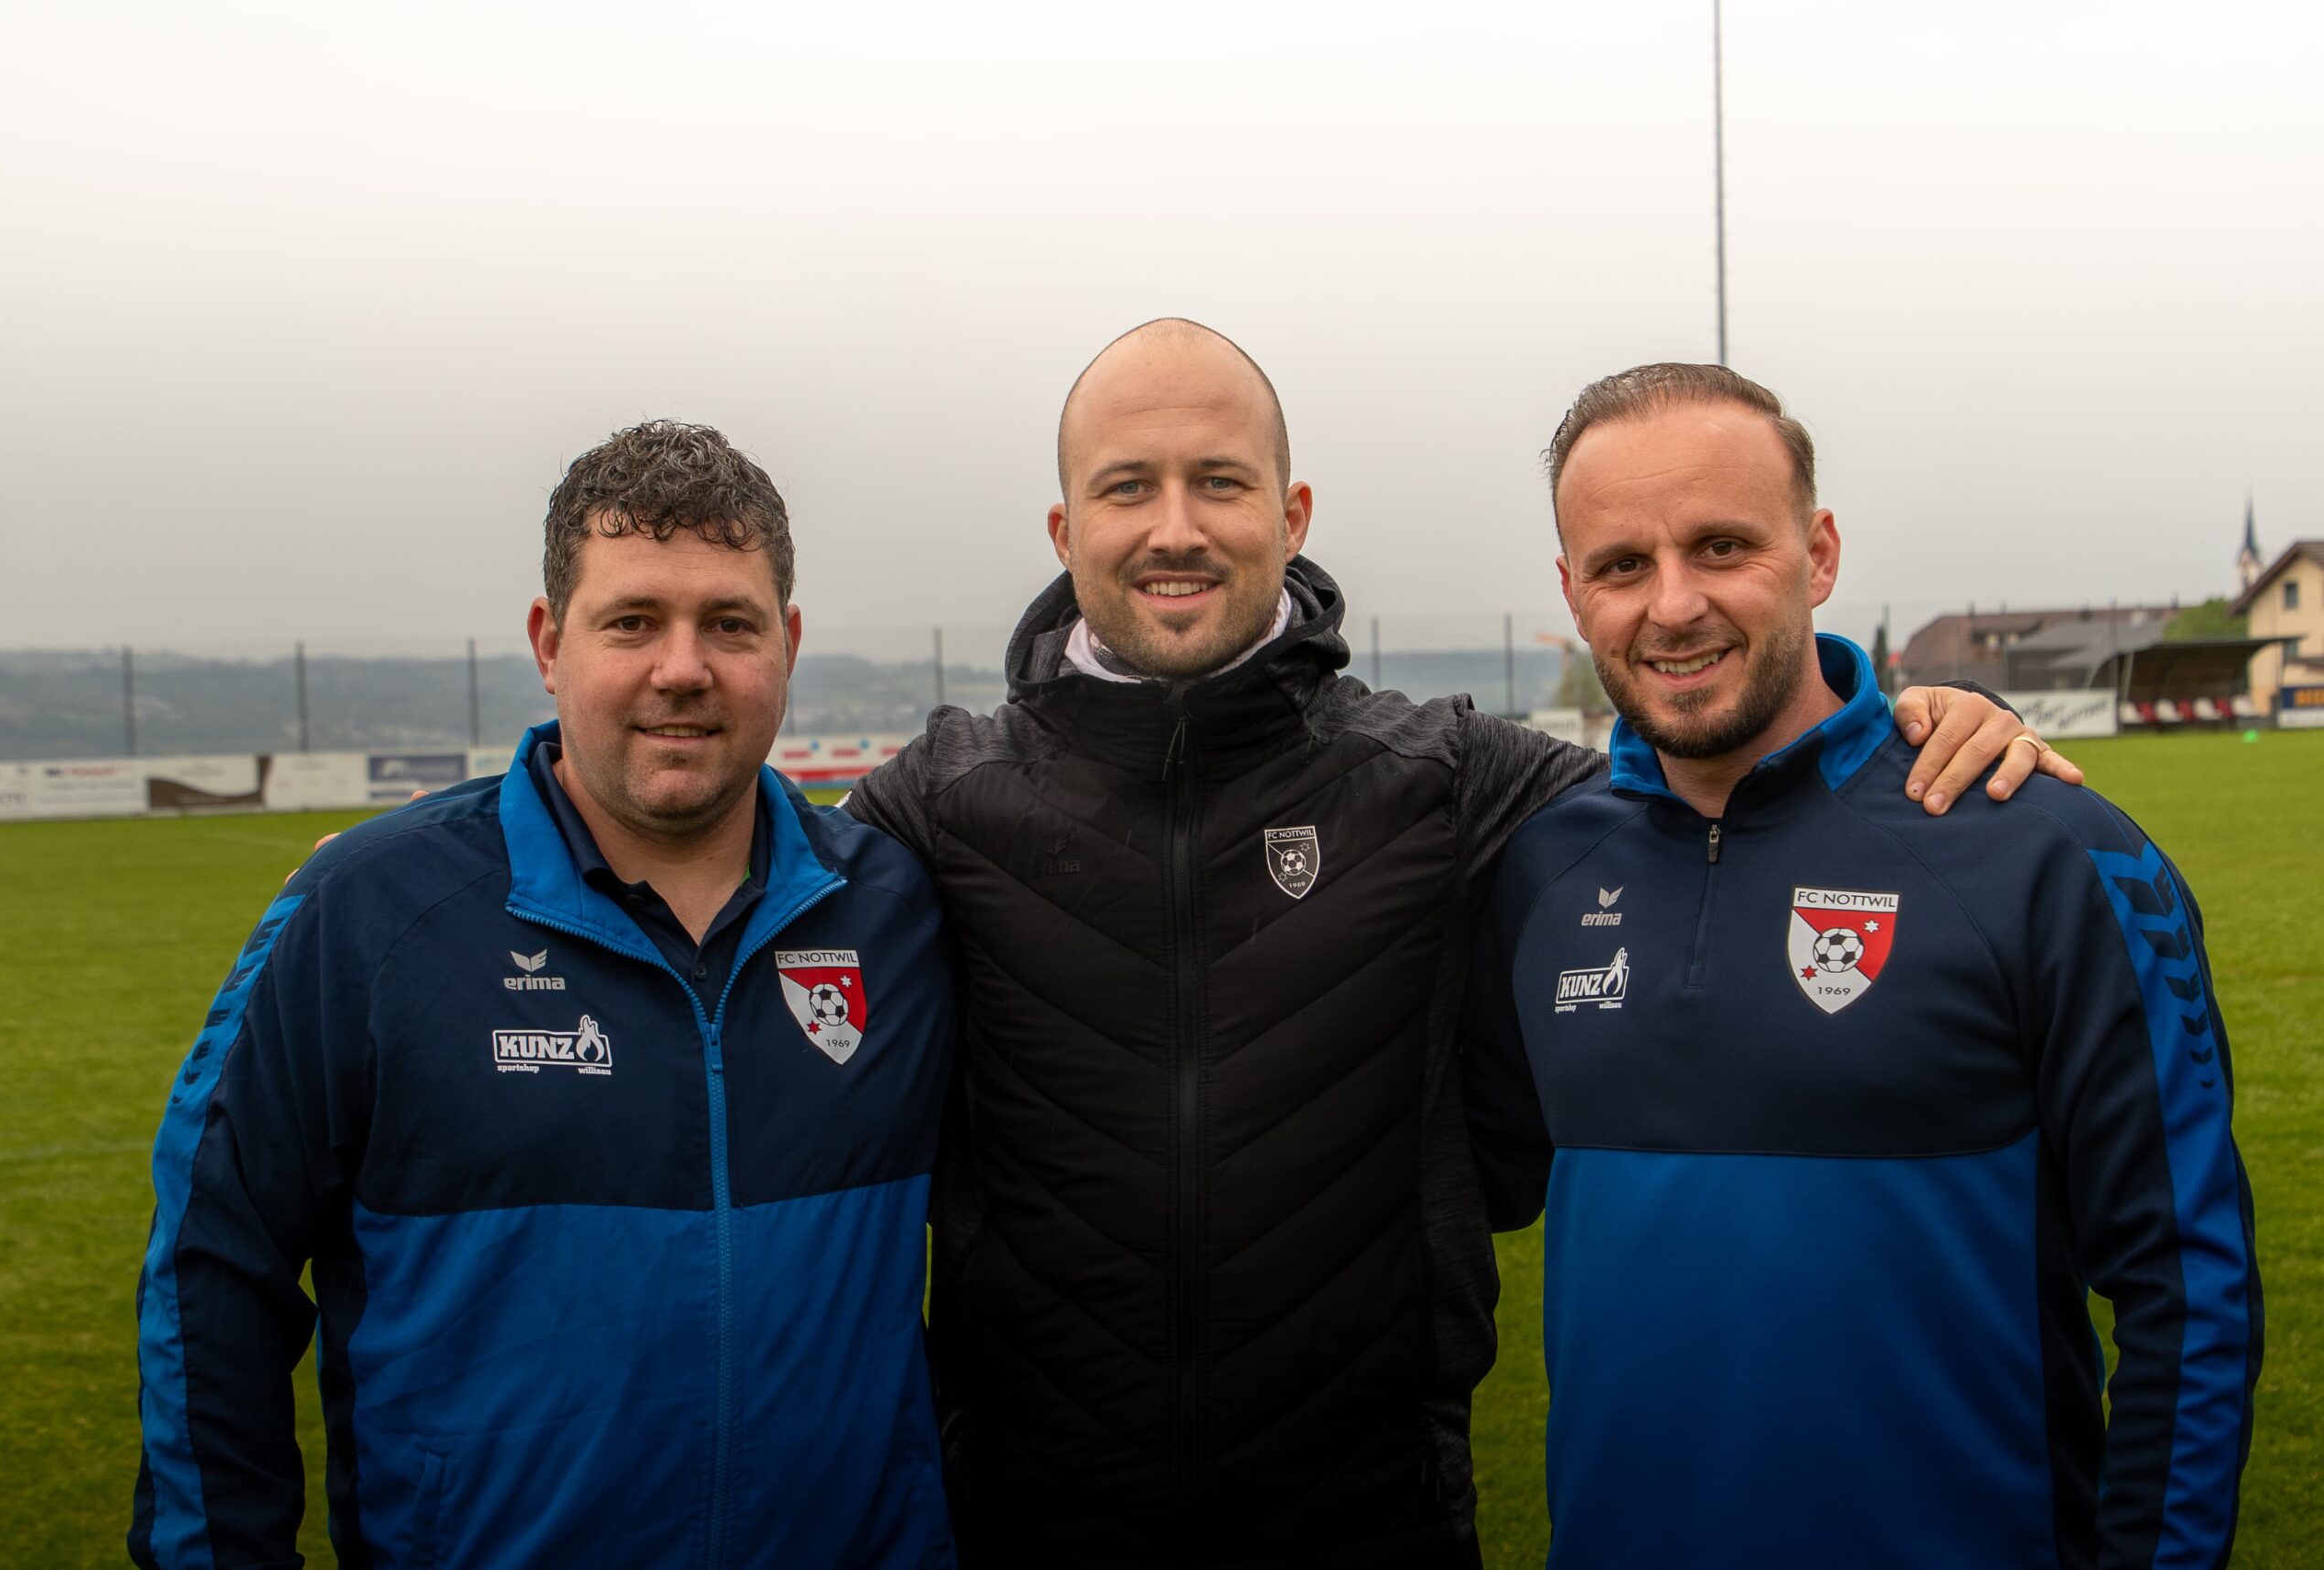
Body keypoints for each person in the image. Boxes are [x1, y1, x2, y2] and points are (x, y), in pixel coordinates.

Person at [843, 320, 2077, 1567]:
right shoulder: (938, 803)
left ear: (1292, 514)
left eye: (1219, 480)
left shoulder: (1444, 779)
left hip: (1376, 1522)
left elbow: (1731, 775)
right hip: (1027, 1523)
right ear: (1064, 531)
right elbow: (749, 869)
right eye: (1127, 487)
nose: (1176, 528)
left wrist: (1923, 725)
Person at [1461, 363, 2262, 1568]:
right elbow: (1456, 1188)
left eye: (1722, 546)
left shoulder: (2049, 853)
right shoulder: (1540, 872)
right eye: (1621, 564)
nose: (1673, 604)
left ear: (1819, 553)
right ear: (1572, 593)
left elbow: (2190, 1286)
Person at [130, 422, 958, 1569]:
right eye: (633, 621)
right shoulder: (369, 911)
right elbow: (213, 1270)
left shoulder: (899, 912)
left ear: (790, 642)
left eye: (730, 623)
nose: (683, 668)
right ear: (549, 643)